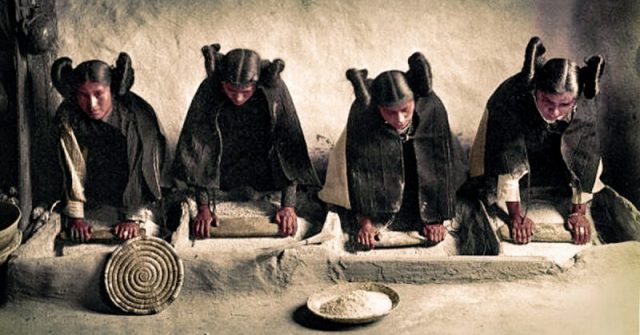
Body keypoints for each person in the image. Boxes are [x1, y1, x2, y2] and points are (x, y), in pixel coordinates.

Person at [461, 36, 640, 254]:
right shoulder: (511, 98)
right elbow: (507, 161)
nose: (554, 111)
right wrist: (516, 217)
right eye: (547, 101)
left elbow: (586, 159)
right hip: (509, 140)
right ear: (536, 91)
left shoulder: (583, 103)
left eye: (564, 104)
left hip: (552, 144)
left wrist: (579, 213)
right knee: (487, 180)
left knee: (569, 166)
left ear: (575, 100)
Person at [172, 44, 320, 239]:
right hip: (223, 169)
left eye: (246, 92)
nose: (239, 98)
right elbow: (199, 149)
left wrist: (288, 206)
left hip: (263, 171)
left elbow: (287, 151)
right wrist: (204, 207)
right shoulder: (209, 89)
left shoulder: (273, 90)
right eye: (231, 90)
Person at [319, 52, 464, 249]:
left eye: (405, 109)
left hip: (416, 176)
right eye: (390, 112)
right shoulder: (364, 116)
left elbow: (438, 163)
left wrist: (436, 218)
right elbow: (360, 172)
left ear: (414, 100)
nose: (400, 119)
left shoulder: (432, 107)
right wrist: (366, 223)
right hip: (381, 174)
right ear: (378, 107)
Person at [51, 53, 167, 242]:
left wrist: (132, 218)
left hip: (138, 194)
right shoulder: (69, 115)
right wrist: (77, 217)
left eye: (98, 94)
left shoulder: (137, 117)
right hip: (96, 192)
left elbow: (143, 166)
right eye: (83, 95)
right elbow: (72, 165)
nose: (92, 104)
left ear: (111, 90)